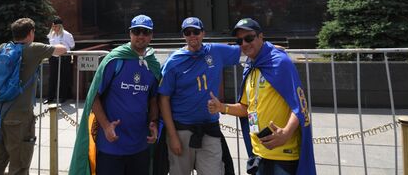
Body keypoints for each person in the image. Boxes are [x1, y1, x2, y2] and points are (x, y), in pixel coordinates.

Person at [207, 18, 316, 175]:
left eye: (249, 38)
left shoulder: (280, 62)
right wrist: (222, 107)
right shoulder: (250, 67)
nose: (244, 43)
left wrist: (285, 133)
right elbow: (246, 108)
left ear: (260, 37)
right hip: (258, 153)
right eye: (240, 40)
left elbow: (299, 106)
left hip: (283, 155)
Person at [69, 14, 161, 175]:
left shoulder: (153, 65)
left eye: (145, 32)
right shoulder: (115, 61)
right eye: (137, 31)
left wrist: (153, 121)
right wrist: (106, 126)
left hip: (140, 144)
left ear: (151, 35)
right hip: (111, 145)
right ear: (130, 33)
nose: (141, 36)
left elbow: (153, 98)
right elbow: (94, 97)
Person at [158, 17, 241, 175]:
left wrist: (272, 49)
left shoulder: (216, 51)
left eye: (196, 31)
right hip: (182, 130)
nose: (192, 35)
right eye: (187, 32)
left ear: (203, 33)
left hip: (209, 129)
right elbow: (164, 99)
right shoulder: (173, 62)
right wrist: (172, 135)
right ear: (183, 35)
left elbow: (248, 48)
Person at [0, 17, 67, 175]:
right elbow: (61, 49)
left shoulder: (3, 47)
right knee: (19, 166)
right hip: (19, 118)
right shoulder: (34, 49)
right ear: (31, 33)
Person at [46, 16, 75, 104]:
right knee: (52, 78)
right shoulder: (51, 34)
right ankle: (50, 98)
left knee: (64, 77)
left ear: (60, 26)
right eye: (53, 26)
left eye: (56, 26)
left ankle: (64, 97)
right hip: (53, 57)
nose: (54, 28)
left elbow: (72, 45)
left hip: (64, 57)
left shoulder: (67, 35)